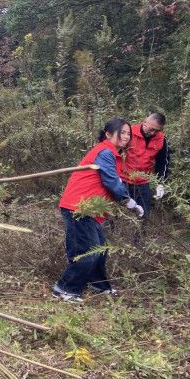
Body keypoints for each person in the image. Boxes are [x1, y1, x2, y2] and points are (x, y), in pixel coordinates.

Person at [53, 118, 144, 303]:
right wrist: (128, 201)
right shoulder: (104, 151)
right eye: (122, 132)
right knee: (88, 251)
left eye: (128, 133)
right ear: (108, 134)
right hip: (79, 207)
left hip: (91, 209)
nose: (126, 136)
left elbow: (118, 180)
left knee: (100, 248)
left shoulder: (113, 155)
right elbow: (111, 181)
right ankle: (64, 289)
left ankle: (98, 284)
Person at [120, 112, 170, 220]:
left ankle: (140, 236)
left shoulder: (162, 139)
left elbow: (163, 163)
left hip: (143, 182)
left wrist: (161, 183)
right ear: (144, 122)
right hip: (123, 180)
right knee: (118, 214)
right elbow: (114, 153)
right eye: (151, 129)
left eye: (157, 130)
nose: (153, 133)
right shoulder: (129, 133)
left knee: (144, 215)